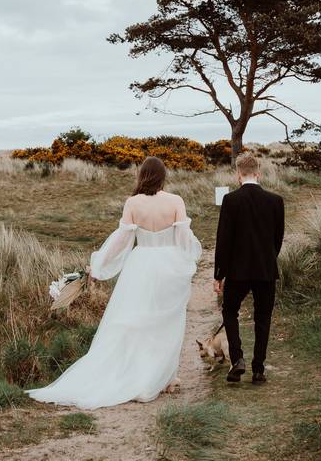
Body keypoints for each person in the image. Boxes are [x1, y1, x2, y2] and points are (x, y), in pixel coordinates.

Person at [25, 156, 201, 409]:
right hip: (168, 266)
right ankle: (162, 376)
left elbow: (121, 240)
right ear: (163, 177)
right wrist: (192, 256)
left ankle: (144, 373)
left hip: (140, 265)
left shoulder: (132, 203)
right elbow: (184, 237)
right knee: (166, 322)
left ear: (142, 176)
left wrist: (98, 264)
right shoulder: (175, 201)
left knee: (137, 319)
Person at [213, 153, 285, 385]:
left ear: (238, 174)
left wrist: (219, 274)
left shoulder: (231, 200)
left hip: (238, 272)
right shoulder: (275, 201)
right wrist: (267, 259)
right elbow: (278, 239)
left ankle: (237, 360)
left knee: (229, 311)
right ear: (258, 173)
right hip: (265, 269)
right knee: (263, 317)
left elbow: (223, 241)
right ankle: (258, 370)